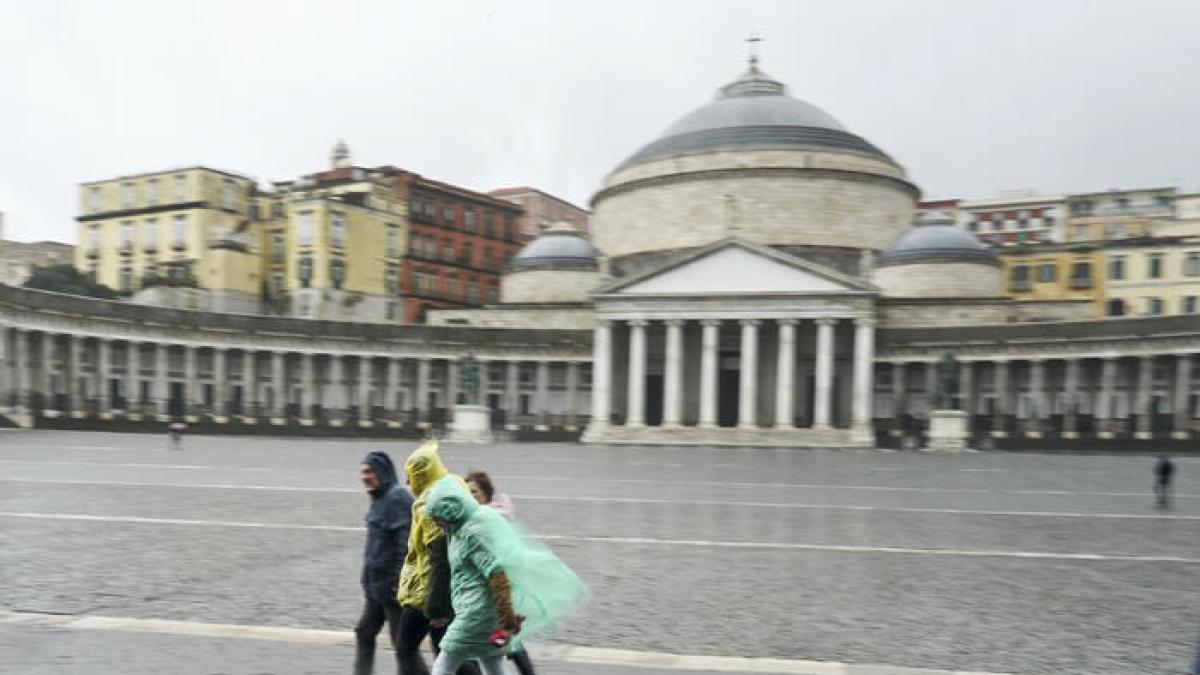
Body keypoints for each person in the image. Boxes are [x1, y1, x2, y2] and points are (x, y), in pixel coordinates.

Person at [425, 476, 587, 675]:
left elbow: (497, 574)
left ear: (450, 511)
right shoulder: (456, 532)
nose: (433, 520)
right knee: (493, 666)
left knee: (442, 667)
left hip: (475, 616)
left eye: (436, 515)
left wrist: (507, 621)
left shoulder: (472, 535)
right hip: (480, 613)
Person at [394, 441, 479, 675]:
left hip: (428, 592)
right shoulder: (454, 484)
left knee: (406, 647)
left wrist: (436, 606)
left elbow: (439, 555)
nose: (407, 483)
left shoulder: (429, 504)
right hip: (456, 585)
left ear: (421, 474)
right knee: (448, 652)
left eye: (410, 476)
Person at [465, 471, 534, 675]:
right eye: (467, 492)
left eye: (474, 492)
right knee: (500, 639)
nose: (471, 496)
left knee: (499, 638)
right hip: (485, 590)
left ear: (486, 494)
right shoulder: (478, 517)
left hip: (496, 589)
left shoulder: (490, 520)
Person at [355, 451, 414, 675]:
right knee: (364, 632)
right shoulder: (379, 498)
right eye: (363, 472)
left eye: (369, 471)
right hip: (377, 589)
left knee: (403, 647)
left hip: (393, 589)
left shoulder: (396, 498)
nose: (365, 476)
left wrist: (401, 582)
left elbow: (406, 546)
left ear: (383, 472)